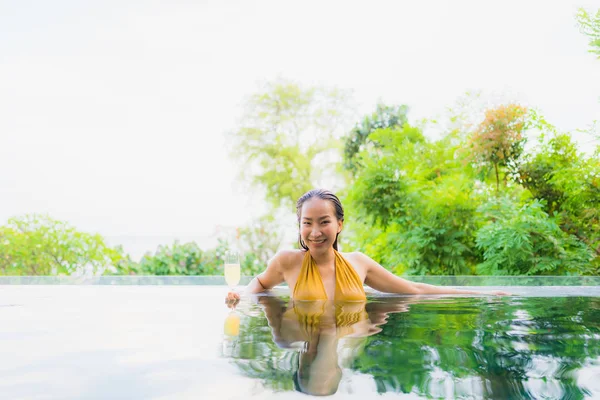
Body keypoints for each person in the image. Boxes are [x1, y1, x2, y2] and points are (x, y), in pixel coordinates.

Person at [227, 188, 509, 306]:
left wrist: (478, 293)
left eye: (324, 221)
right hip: (304, 336)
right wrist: (239, 301)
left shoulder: (359, 263)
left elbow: (415, 289)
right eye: (306, 223)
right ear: (299, 226)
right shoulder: (287, 261)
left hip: (347, 334)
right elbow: (260, 283)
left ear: (339, 224)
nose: (314, 232)